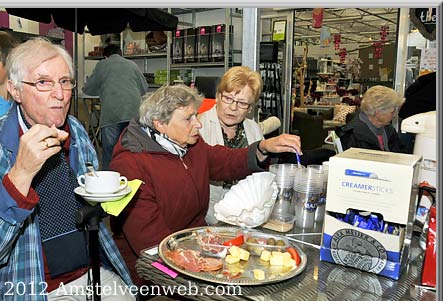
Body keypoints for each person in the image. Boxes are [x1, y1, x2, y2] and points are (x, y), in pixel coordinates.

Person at [0, 38, 147, 301]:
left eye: (65, 81)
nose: (61, 94)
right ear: (15, 91)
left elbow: (88, 200)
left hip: (92, 274)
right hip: (32, 288)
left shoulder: (76, 131)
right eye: (43, 82)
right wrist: (20, 174)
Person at [109, 84, 301, 284]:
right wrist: (202, 268)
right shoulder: (130, 165)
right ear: (160, 124)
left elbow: (222, 160)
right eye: (188, 119)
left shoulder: (187, 143)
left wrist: (262, 147)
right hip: (157, 265)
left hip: (195, 246)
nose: (198, 124)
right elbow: (150, 239)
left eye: (196, 116)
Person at [198, 66, 265, 225]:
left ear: (250, 108)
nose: (233, 108)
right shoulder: (199, 127)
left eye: (242, 103)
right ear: (217, 96)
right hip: (210, 217)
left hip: (248, 215)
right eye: (228, 98)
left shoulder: (253, 129)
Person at [83, 44, 148, 170]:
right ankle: (132, 177)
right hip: (133, 113)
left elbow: (89, 89)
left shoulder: (103, 64)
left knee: (110, 151)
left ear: (106, 56)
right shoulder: (132, 65)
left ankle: (109, 180)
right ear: (121, 53)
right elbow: (144, 89)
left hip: (112, 114)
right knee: (132, 149)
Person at [336, 85, 405, 153]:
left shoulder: (389, 130)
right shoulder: (353, 135)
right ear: (378, 113)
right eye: (392, 112)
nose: (395, 115)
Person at [398, 72, 436, 153]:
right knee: (406, 147)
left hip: (410, 109)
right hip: (416, 116)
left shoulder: (433, 76)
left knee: (405, 143)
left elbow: (411, 88)